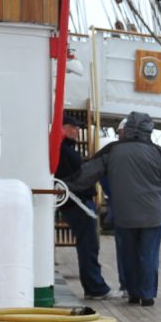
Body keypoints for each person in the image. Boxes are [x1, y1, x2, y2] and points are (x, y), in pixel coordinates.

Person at [71, 110, 161, 306]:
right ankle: (147, 295)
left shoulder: (112, 150)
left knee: (127, 254)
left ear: (127, 129)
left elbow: (86, 175)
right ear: (149, 130)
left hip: (124, 213)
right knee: (149, 254)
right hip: (153, 214)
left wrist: (65, 186)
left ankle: (133, 293)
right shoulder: (159, 152)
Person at [55, 114, 110, 299]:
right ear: (62, 128)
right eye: (73, 127)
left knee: (87, 245)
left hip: (74, 203)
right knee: (88, 246)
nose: (77, 130)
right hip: (78, 204)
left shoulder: (64, 149)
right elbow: (79, 178)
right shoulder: (65, 151)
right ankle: (95, 288)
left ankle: (94, 286)